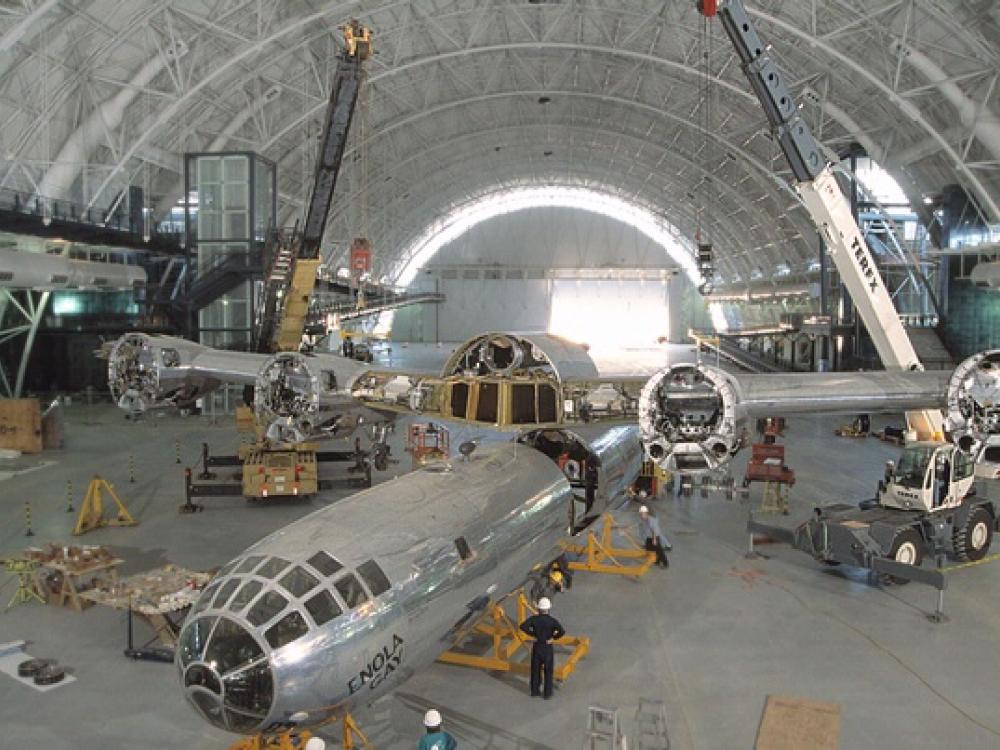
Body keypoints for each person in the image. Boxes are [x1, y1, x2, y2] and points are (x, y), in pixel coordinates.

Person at [519, 597, 565, 699]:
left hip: (537, 646)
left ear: (539, 608)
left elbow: (523, 626)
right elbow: (562, 631)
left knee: (535, 670)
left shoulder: (534, 619)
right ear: (548, 608)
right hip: (547, 647)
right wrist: (553, 638)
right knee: (548, 671)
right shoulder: (552, 621)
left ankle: (535, 691)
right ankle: (547, 694)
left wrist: (532, 634)